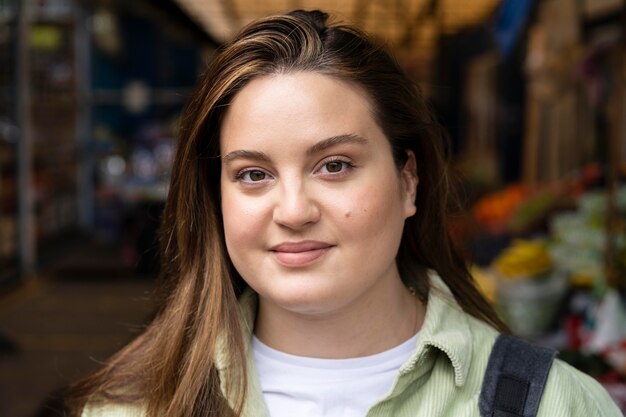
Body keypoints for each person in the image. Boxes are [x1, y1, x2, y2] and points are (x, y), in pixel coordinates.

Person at [67, 9, 622, 417]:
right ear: (216, 200)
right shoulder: (128, 408)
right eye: (253, 174)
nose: (293, 210)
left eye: (333, 165)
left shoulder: (555, 403)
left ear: (409, 182)